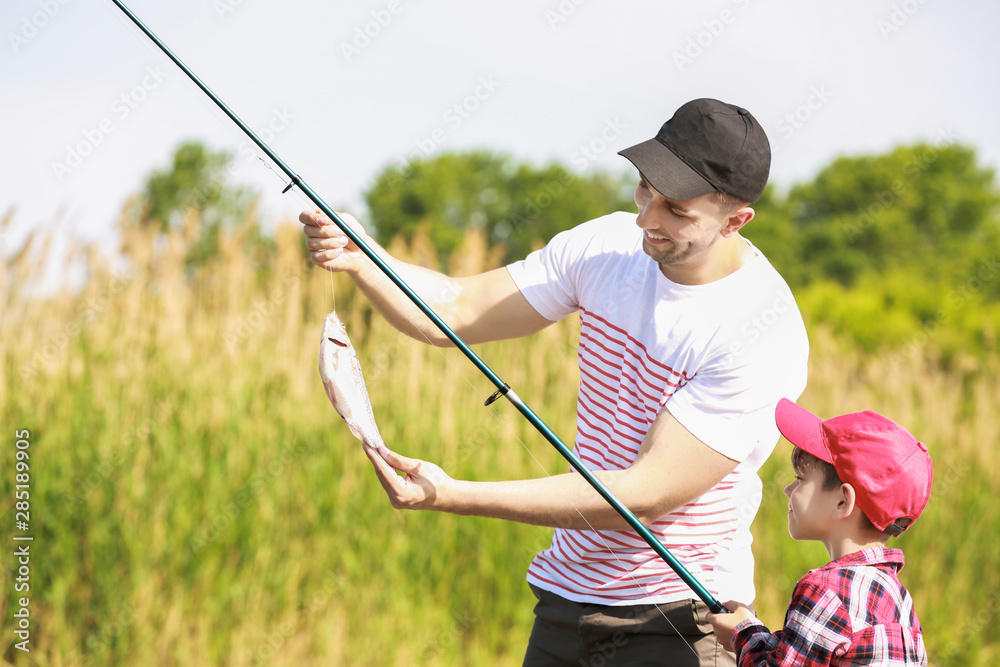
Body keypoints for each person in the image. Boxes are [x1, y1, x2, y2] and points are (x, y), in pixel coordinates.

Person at [300, 98, 810, 666]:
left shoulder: (759, 332)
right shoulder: (607, 246)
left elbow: (639, 493)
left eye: (676, 210)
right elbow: (459, 310)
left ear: (735, 220)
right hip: (564, 602)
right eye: (644, 189)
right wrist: (365, 259)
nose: (647, 218)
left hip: (679, 618)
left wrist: (455, 495)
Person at [706, 399, 932, 665]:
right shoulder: (898, 599)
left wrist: (743, 635)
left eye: (800, 479)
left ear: (842, 502)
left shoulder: (825, 591)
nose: (787, 489)